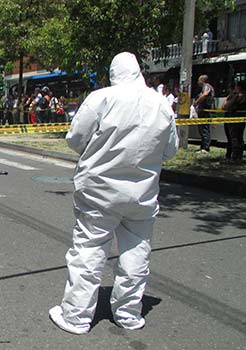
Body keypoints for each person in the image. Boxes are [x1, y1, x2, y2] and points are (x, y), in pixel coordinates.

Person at [49, 52, 178, 335]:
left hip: (99, 191)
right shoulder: (162, 104)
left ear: (113, 73)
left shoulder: (101, 98)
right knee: (137, 252)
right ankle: (129, 314)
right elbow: (171, 150)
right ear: (139, 72)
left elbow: (75, 139)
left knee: (89, 251)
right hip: (142, 194)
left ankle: (76, 317)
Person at [221, 81, 246, 162]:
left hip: (232, 118)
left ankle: (233, 157)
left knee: (233, 137)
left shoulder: (236, 96)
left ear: (238, 87)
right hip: (241, 119)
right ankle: (239, 156)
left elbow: (225, 107)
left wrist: (227, 98)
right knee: (239, 137)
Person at [193, 75, 215, 153]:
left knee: (205, 129)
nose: (198, 82)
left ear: (203, 80)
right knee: (202, 129)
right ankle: (203, 146)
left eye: (199, 80)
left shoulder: (207, 86)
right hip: (202, 111)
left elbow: (205, 95)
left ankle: (206, 148)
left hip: (205, 111)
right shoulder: (204, 87)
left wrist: (196, 102)